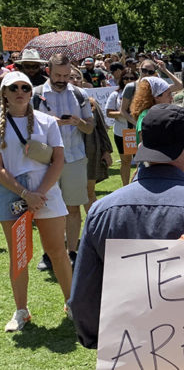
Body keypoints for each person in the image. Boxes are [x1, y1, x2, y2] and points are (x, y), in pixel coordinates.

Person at [69, 104, 184, 348]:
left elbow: (83, 298)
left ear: (141, 149)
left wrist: (101, 339)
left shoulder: (102, 210)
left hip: (126, 347)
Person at [0, 71, 70, 331]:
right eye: (13, 87)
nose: (20, 91)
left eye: (25, 87)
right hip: (12, 194)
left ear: (31, 92)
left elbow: (58, 160)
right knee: (18, 257)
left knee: (57, 251)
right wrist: (25, 194)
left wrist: (39, 193)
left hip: (46, 191)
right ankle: (21, 310)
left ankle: (71, 302)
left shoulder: (46, 121)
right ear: (4, 93)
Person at [32, 53, 94, 271]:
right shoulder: (36, 94)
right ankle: (48, 253)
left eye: (66, 75)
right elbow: (28, 129)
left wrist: (78, 122)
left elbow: (90, 127)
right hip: (45, 161)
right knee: (46, 207)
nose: (62, 79)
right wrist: (51, 125)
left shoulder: (79, 93)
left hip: (75, 156)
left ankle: (72, 251)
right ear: (48, 71)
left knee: (73, 206)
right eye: (58, 74)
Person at [105, 70, 137, 186]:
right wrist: (123, 113)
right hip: (122, 132)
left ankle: (138, 185)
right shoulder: (115, 94)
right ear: (121, 79)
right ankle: (125, 186)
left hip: (138, 131)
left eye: (131, 78)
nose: (128, 81)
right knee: (126, 161)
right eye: (126, 78)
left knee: (141, 161)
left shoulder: (140, 94)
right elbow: (109, 113)